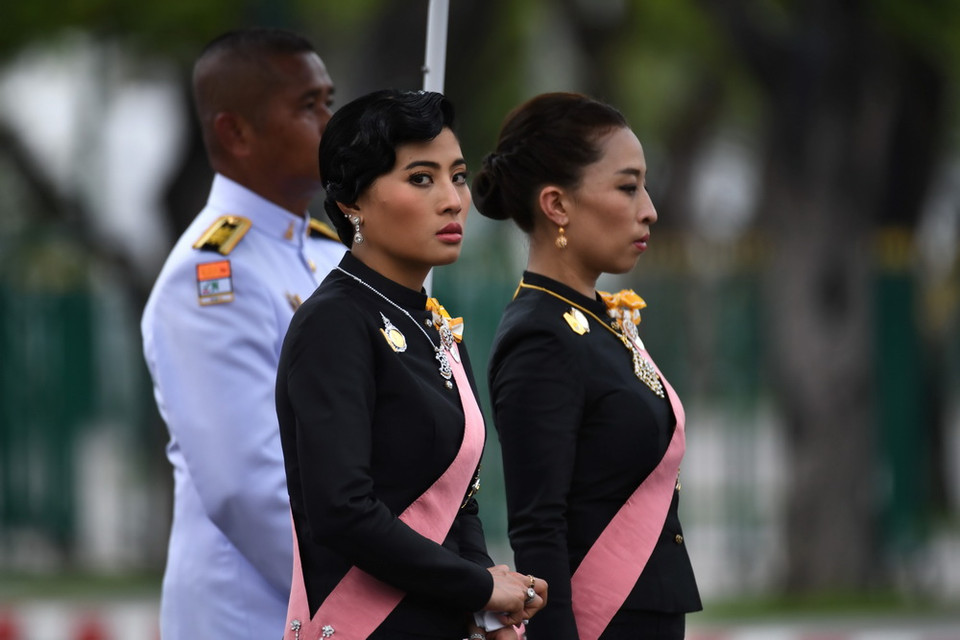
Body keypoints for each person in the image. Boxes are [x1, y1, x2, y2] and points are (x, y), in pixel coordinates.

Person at [275, 89, 547, 640]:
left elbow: (459, 501)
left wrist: (489, 610)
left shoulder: (434, 323)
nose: (452, 200)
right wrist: (477, 586)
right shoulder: (335, 323)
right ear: (352, 201)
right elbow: (343, 511)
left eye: (459, 176)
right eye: (421, 178)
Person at [473, 92, 702, 640]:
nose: (648, 208)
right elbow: (538, 525)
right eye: (627, 187)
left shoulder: (599, 319)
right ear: (557, 205)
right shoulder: (539, 335)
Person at [141, 28, 345, 640]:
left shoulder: (326, 254)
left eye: (329, 102)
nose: (331, 124)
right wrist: (371, 597)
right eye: (308, 107)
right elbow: (248, 488)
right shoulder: (211, 277)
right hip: (258, 612)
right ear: (236, 132)